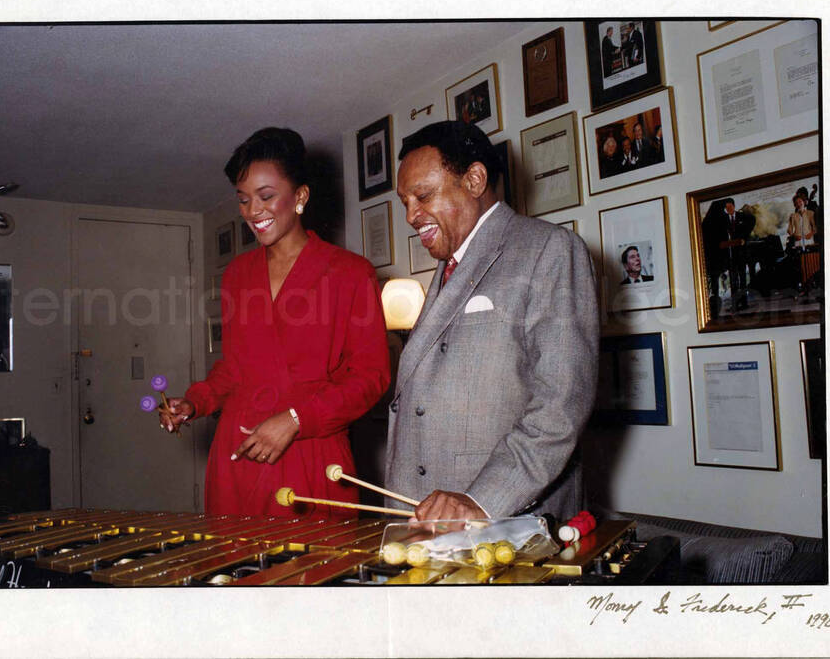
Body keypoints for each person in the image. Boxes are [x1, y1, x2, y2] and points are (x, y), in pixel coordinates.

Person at [159, 127, 391, 517]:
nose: (253, 211)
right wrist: (195, 402)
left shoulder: (351, 272)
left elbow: (371, 378)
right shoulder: (237, 274)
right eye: (244, 199)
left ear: (300, 196)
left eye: (266, 197)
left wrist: (298, 420)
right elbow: (234, 370)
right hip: (239, 453)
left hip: (311, 450)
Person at [384, 120, 599, 522]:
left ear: (475, 179)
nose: (412, 215)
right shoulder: (449, 265)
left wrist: (482, 501)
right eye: (405, 202)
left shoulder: (549, 248)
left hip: (501, 519)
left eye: (423, 196)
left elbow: (561, 404)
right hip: (425, 517)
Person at [701, 197, 755, 313]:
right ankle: (735, 305)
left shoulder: (742, 216)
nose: (729, 209)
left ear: (734, 206)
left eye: (730, 207)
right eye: (727, 207)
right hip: (731, 255)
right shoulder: (724, 219)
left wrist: (744, 237)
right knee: (733, 280)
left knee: (743, 280)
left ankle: (744, 303)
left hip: (741, 254)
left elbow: (752, 220)